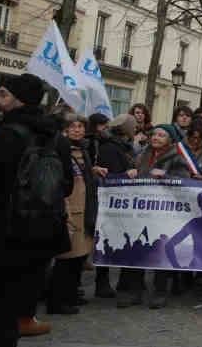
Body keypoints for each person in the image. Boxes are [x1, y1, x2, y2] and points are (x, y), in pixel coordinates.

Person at [0, 74, 72, 347]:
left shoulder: (4, 136)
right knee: (10, 316)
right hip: (40, 237)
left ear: (19, 99)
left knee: (0, 313)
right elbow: (64, 187)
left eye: (2, 94)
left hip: (3, 234)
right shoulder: (55, 138)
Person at [120, 124, 190, 309]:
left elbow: (184, 181)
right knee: (138, 248)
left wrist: (166, 176)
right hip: (142, 211)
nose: (156, 138)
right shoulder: (143, 155)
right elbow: (136, 172)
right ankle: (136, 291)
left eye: (162, 135)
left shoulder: (177, 158)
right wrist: (132, 172)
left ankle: (160, 291)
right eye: (155, 134)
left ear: (170, 139)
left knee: (161, 250)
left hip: (164, 212)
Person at [49, 115, 106, 315]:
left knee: (79, 258)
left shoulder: (83, 150)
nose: (77, 130)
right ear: (64, 129)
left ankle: (71, 294)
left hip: (84, 209)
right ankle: (57, 301)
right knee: (66, 259)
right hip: (69, 209)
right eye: (72, 126)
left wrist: (93, 170)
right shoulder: (59, 150)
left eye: (80, 126)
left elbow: (83, 176)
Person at [93, 113, 137, 299]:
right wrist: (126, 174)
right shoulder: (112, 148)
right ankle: (102, 282)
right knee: (108, 240)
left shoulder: (120, 146)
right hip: (113, 202)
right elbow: (111, 175)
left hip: (121, 201)